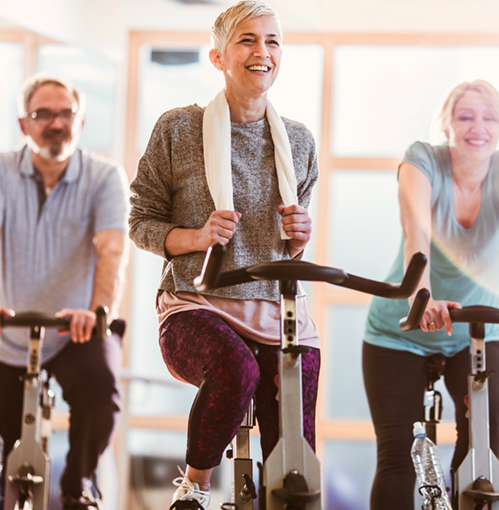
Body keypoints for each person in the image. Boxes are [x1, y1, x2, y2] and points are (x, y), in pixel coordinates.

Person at [128, 1, 319, 509]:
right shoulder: (178, 130)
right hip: (196, 303)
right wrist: (195, 237)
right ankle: (193, 488)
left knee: (294, 466)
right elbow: (140, 223)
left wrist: (299, 238)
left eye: (273, 41)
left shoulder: (298, 140)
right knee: (238, 371)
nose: (263, 52)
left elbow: (288, 245)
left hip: (277, 310)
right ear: (217, 57)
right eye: (248, 40)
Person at [362, 80, 499, 510]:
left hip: (475, 331)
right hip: (400, 329)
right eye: (466, 116)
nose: (479, 127)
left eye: (490, 117)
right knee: (396, 457)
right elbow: (415, 232)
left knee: (479, 454)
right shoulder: (422, 160)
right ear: (447, 124)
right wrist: (423, 297)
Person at [0, 75, 129, 510]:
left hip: (73, 329)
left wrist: (97, 312)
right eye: (43, 114)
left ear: (80, 121)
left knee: (100, 395)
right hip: (4, 333)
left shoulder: (104, 176)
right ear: (24, 124)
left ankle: (79, 487)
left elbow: (112, 250)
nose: (55, 123)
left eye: (65, 114)